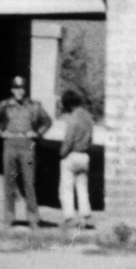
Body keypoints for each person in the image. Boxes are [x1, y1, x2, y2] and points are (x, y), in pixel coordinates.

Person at [0, 76, 51, 227]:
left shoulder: (34, 105)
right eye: (16, 88)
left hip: (27, 145)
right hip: (10, 144)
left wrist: (37, 133)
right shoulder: (5, 105)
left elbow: (47, 121)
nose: (19, 91)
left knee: (29, 182)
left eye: (21, 88)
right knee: (9, 182)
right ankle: (9, 218)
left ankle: (33, 219)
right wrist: (1, 132)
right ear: (12, 90)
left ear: (25, 89)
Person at [58, 87, 94, 228]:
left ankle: (69, 217)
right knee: (82, 188)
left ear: (68, 104)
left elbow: (69, 140)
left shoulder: (73, 119)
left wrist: (62, 153)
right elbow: (91, 139)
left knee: (66, 188)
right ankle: (85, 216)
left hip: (72, 155)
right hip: (85, 156)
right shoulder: (88, 117)